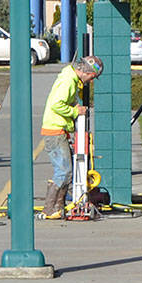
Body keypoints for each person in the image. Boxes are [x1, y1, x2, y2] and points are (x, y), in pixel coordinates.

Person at [39, 54, 102, 219]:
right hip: (55, 131)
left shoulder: (70, 78)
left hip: (60, 130)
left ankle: (59, 207)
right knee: (64, 171)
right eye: (92, 77)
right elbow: (56, 104)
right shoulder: (68, 81)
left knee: (66, 171)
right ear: (86, 72)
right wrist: (75, 111)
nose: (91, 81)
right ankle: (50, 208)